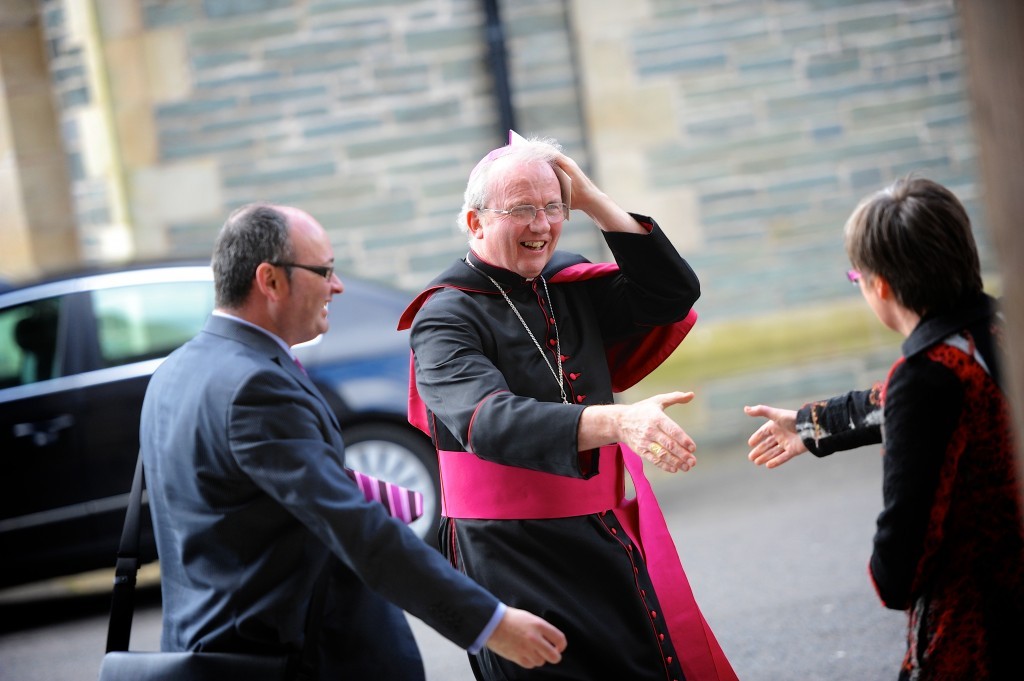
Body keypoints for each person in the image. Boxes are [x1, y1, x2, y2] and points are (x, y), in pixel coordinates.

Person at [139, 203, 567, 680]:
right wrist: (490, 622)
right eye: (324, 271)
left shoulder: (175, 371)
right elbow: (354, 529)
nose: (337, 286)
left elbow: (233, 501)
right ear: (270, 280)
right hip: (286, 657)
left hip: (210, 643)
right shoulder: (254, 388)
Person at [398, 133, 737, 681]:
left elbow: (671, 294)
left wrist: (594, 200)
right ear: (476, 222)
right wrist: (619, 420)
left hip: (599, 529)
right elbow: (488, 420)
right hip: (511, 553)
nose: (542, 225)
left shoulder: (567, 285)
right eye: (522, 210)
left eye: (554, 207)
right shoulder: (444, 317)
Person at [743, 177, 1024, 679]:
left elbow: (907, 542)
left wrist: (886, 573)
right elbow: (889, 401)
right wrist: (810, 425)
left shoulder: (927, 377)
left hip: (979, 628)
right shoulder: (1000, 330)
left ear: (882, 287)